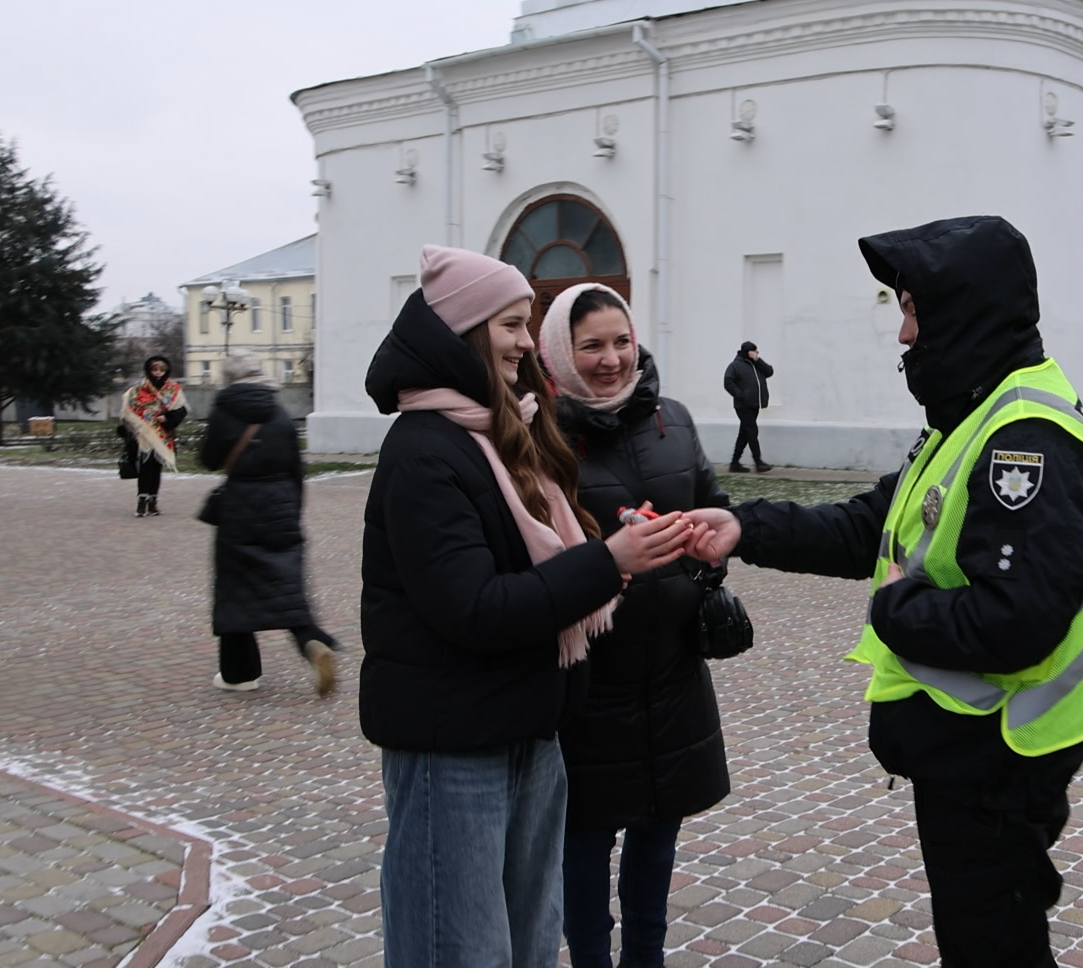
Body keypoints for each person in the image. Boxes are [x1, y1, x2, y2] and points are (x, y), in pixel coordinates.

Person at [686, 216, 1083, 967]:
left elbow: (1018, 620)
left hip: (999, 759)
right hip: (969, 758)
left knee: (996, 949)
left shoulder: (1025, 438)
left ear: (961, 312)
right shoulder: (969, 417)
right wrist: (741, 528)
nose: (905, 333)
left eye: (912, 308)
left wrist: (893, 606)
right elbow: (866, 530)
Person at [362, 245, 694, 967]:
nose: (523, 342)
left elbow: (529, 563)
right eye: (512, 324)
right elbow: (474, 610)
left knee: (527, 947)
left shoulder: (495, 432)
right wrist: (605, 565)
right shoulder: (426, 450)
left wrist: (610, 558)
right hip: (454, 749)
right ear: (469, 327)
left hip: (528, 730)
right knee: (459, 948)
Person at [540, 283, 731, 968]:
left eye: (621, 341)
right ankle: (592, 957)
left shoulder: (671, 420)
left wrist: (704, 556)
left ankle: (645, 958)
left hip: (672, 666)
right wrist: (605, 558)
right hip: (589, 677)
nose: (612, 359)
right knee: (585, 835)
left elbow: (711, 505)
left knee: (659, 826)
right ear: (561, 351)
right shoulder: (539, 434)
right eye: (591, 345)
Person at [199, 353, 339, 696]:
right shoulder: (279, 414)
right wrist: (293, 511)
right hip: (281, 506)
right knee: (286, 585)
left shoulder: (224, 410)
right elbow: (296, 468)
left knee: (234, 589)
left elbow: (209, 459)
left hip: (239, 507)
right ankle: (311, 642)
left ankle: (239, 673)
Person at [121, 355, 188, 517]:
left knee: (156, 468)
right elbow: (128, 407)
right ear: (149, 370)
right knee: (145, 467)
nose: (158, 373)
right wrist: (138, 422)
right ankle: (141, 502)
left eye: (161, 370)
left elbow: (181, 410)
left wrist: (167, 419)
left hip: (163, 434)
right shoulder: (138, 388)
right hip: (143, 434)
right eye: (155, 369)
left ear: (166, 371)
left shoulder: (173, 388)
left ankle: (153, 502)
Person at [723, 340, 774, 473]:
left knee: (744, 433)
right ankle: (758, 462)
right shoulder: (735, 365)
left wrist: (758, 360)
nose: (757, 352)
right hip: (743, 405)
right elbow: (728, 382)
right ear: (748, 352)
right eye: (754, 351)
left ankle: (734, 463)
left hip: (755, 404)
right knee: (752, 431)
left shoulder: (756, 364)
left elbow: (769, 372)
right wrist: (741, 395)